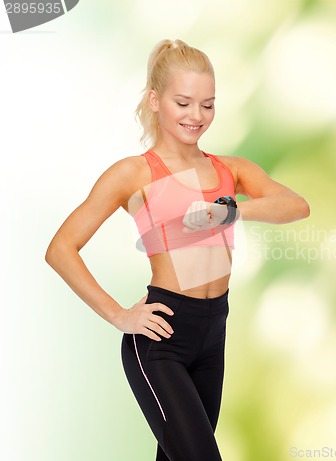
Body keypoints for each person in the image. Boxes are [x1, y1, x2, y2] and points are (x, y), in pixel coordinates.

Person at [45, 38, 310, 461]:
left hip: (213, 330)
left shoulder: (230, 171)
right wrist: (119, 315)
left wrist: (230, 210)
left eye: (208, 104)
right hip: (162, 334)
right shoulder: (132, 173)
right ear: (155, 99)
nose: (196, 116)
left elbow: (297, 206)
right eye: (183, 103)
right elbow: (61, 248)